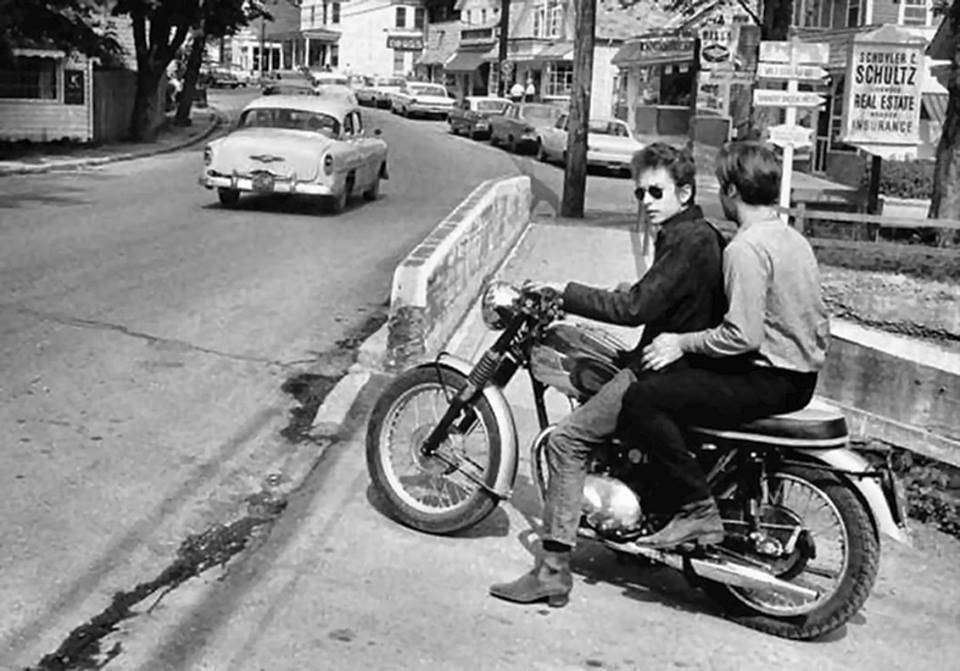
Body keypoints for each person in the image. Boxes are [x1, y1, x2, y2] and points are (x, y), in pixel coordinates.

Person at [489, 143, 728, 608]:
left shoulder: (687, 240)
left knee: (567, 440)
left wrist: (567, 291)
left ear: (685, 191)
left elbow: (635, 309)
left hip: (666, 367)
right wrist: (629, 291)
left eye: (656, 192)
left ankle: (552, 570)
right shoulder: (697, 234)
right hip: (681, 362)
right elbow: (660, 298)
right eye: (640, 194)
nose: (647, 202)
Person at [616, 141, 830, 549]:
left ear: (731, 190)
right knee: (682, 388)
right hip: (801, 376)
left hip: (770, 379)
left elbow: (742, 335)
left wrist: (682, 341)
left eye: (720, 187)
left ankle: (696, 510)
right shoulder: (790, 238)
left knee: (644, 399)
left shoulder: (745, 249)